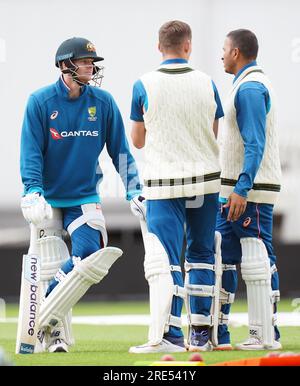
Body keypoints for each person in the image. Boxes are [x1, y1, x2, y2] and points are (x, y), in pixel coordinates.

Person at [19, 37, 145, 353]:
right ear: (65, 65)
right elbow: (31, 151)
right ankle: (55, 335)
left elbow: (121, 151)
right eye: (84, 62)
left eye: (92, 62)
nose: (91, 67)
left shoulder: (102, 102)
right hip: (46, 199)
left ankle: (43, 310)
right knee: (51, 263)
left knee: (90, 254)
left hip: (83, 195)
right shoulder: (40, 102)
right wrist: (32, 190)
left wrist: (134, 189)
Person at [129, 20, 224, 353]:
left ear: (159, 47)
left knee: (166, 260)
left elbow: (137, 142)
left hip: (163, 184)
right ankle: (199, 333)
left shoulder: (143, 84)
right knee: (200, 256)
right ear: (189, 46)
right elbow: (213, 131)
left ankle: (168, 334)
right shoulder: (208, 83)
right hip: (205, 180)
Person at [216, 29, 282, 350]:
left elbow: (255, 143)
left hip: (247, 193)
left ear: (237, 52)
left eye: (225, 49)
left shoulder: (250, 88)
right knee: (224, 259)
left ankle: (265, 335)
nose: (222, 54)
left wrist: (242, 188)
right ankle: (221, 333)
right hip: (234, 190)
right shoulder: (243, 85)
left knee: (256, 258)